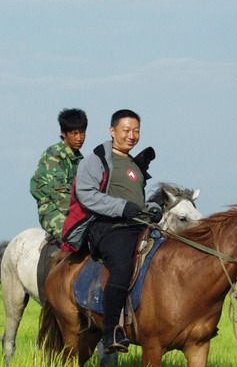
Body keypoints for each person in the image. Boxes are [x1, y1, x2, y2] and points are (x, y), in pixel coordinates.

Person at [61, 109, 162, 354]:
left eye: (136, 131)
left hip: (136, 225)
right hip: (105, 226)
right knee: (122, 264)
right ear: (112, 131)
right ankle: (111, 331)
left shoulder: (133, 165)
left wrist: (151, 208)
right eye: (126, 130)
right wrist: (121, 207)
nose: (132, 136)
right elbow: (86, 193)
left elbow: (134, 200)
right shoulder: (96, 159)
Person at [29, 108, 88, 244]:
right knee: (76, 239)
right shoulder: (54, 156)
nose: (79, 138)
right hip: (52, 210)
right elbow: (60, 196)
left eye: (82, 133)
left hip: (76, 210)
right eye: (74, 133)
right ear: (63, 133)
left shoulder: (79, 160)